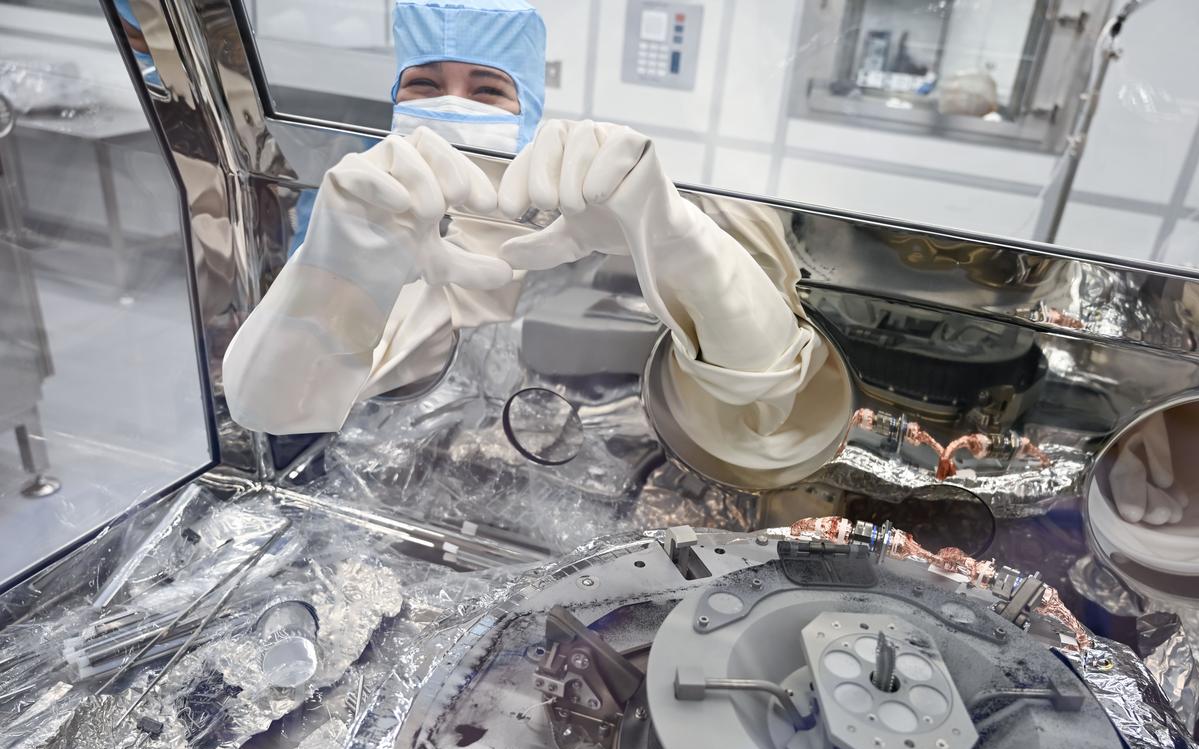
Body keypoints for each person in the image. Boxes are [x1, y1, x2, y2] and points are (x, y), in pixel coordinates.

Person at [224, 0, 848, 478]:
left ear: (529, 103)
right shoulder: (371, 200)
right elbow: (271, 407)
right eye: (423, 87)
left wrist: (673, 241)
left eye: (487, 89)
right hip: (410, 491)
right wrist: (342, 268)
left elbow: (776, 407)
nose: (453, 106)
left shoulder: (606, 184)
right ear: (394, 98)